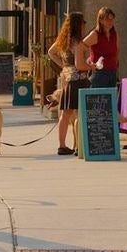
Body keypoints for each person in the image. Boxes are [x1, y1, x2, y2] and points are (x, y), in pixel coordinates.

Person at [47, 11, 90, 155]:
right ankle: (80, 146)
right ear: (78, 25)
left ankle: (62, 145)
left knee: (65, 115)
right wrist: (92, 66)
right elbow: (80, 66)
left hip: (68, 81)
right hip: (79, 81)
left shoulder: (64, 41)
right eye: (83, 22)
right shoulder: (78, 43)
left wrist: (64, 66)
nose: (85, 25)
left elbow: (51, 52)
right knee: (81, 114)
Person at [82, 7, 119, 89]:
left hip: (112, 73)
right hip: (99, 74)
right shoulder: (95, 34)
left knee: (111, 100)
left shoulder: (114, 35)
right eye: (107, 19)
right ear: (101, 20)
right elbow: (80, 48)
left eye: (112, 19)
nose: (110, 22)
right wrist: (87, 64)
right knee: (98, 100)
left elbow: (117, 51)